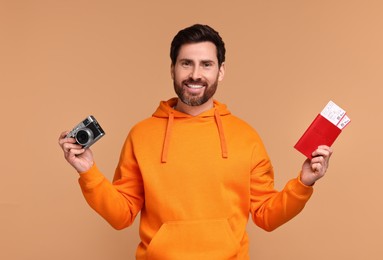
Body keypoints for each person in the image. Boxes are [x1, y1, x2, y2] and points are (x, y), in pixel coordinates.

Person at [58, 24, 332, 260]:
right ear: (173, 68)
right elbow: (121, 215)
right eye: (186, 63)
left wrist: (303, 183)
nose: (195, 74)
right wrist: (88, 171)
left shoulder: (245, 137)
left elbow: (267, 215)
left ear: (220, 71)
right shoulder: (141, 135)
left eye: (206, 64)